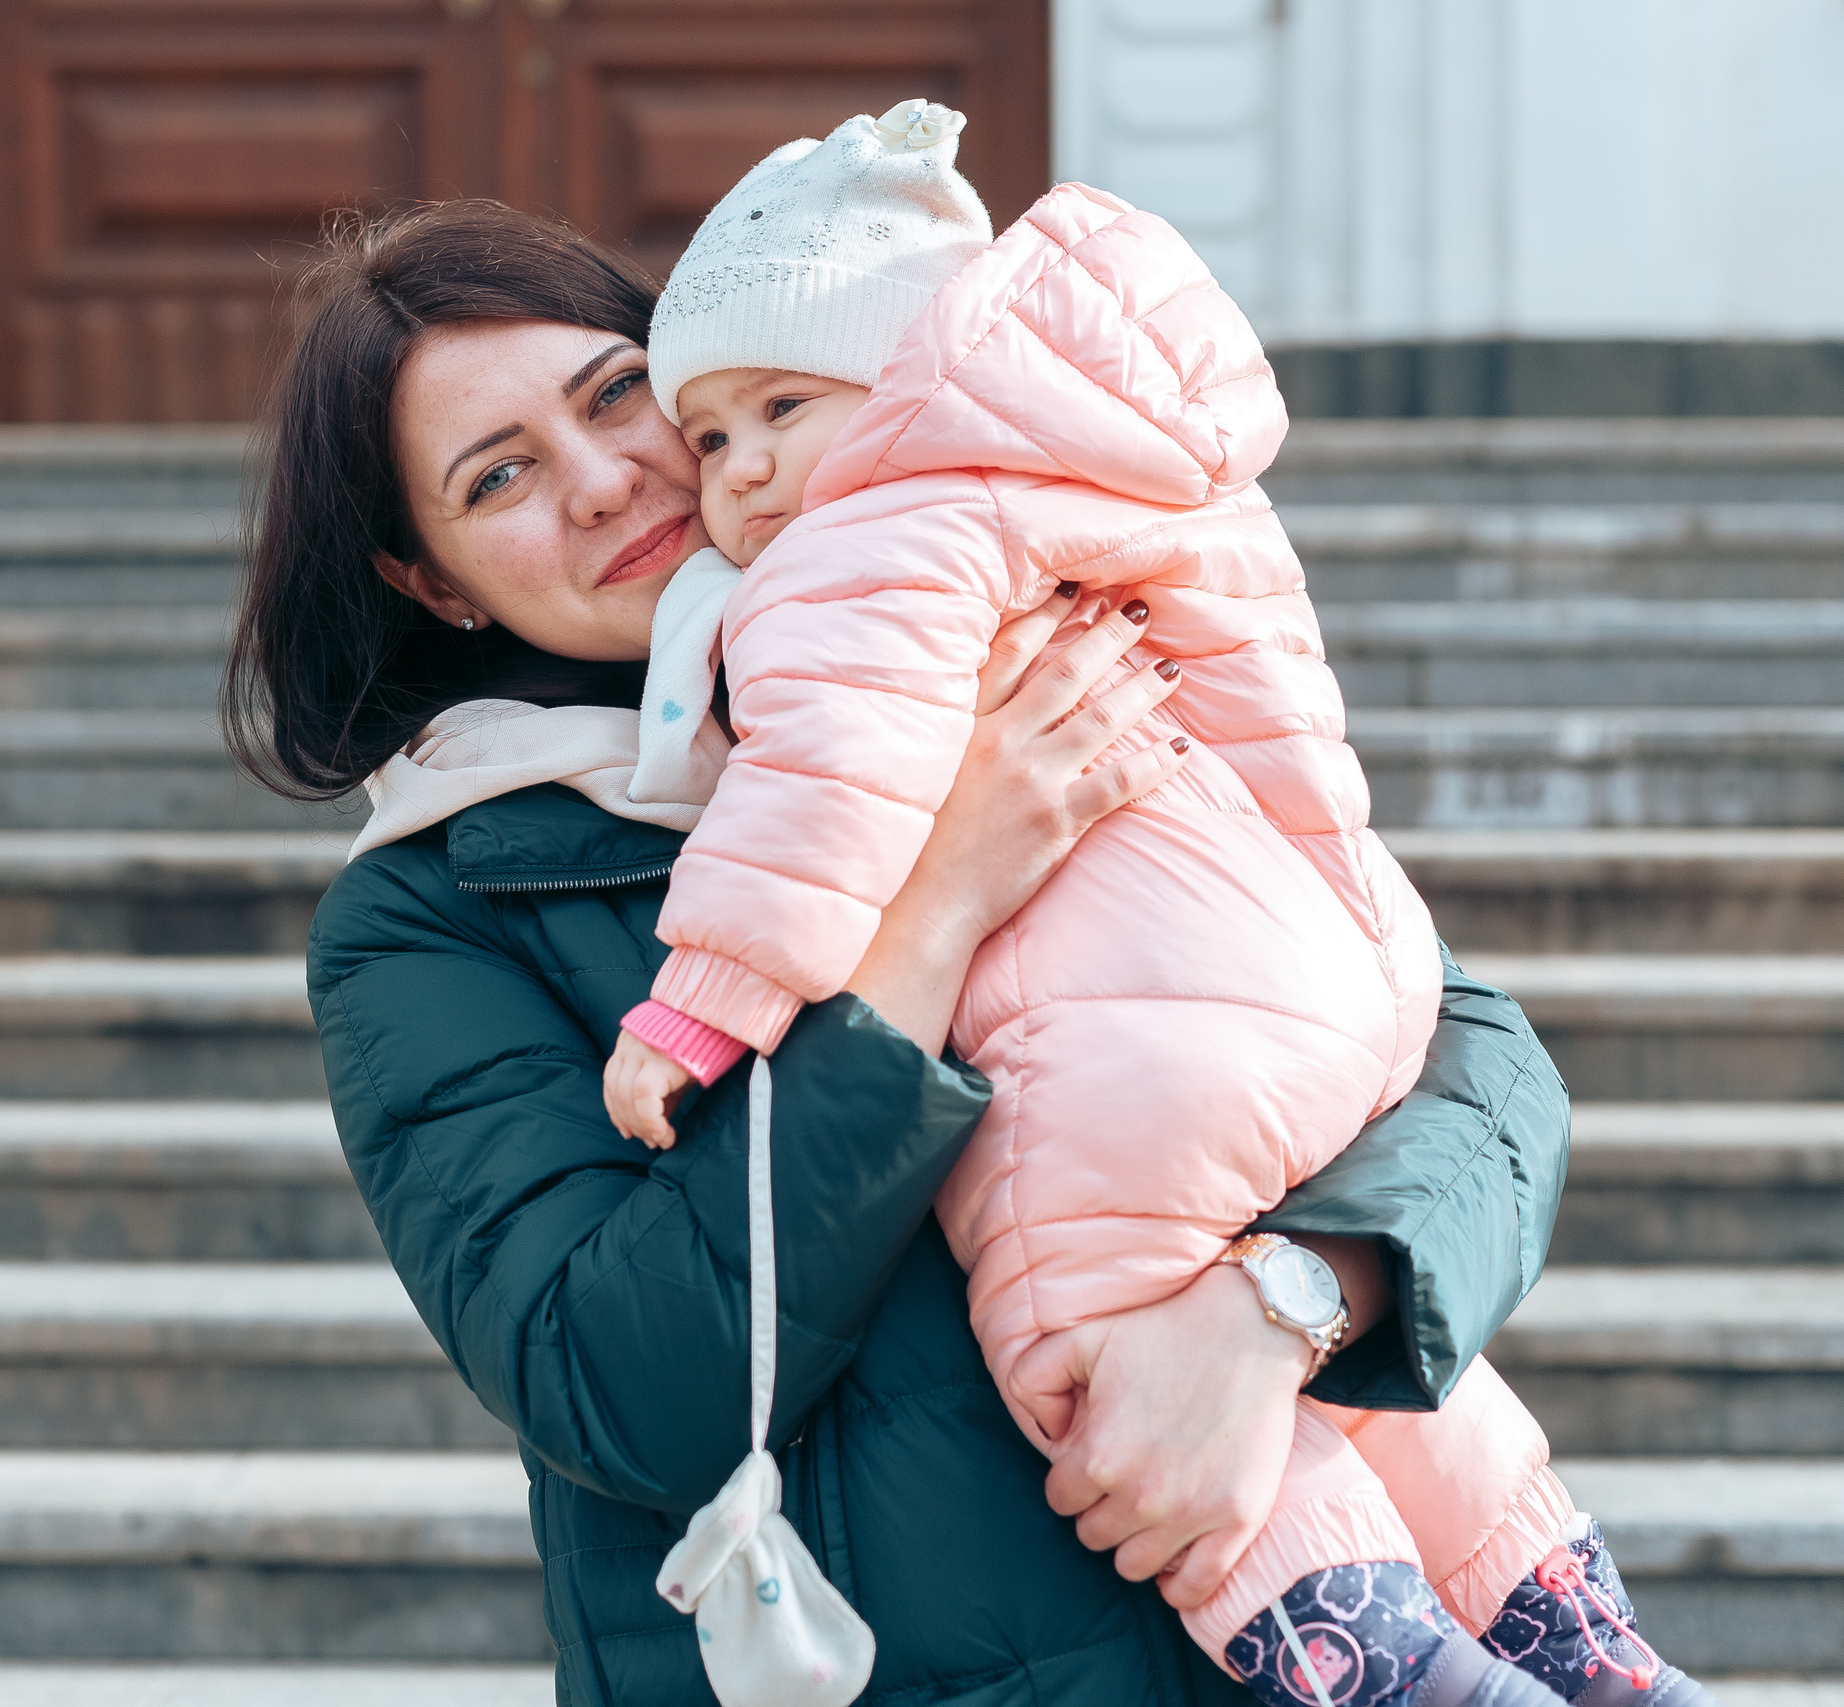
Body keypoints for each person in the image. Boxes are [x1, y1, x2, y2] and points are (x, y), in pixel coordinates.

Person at [226, 197, 1667, 1707]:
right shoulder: (432, 916)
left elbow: (1455, 1046)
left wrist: (1280, 1307)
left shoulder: (1017, 618)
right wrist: (937, 903)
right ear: (433, 582)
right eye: (499, 476)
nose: (602, 481)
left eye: (617, 393)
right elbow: (624, 1386)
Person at [591, 104, 1715, 1707]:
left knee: (1099, 1324)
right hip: (1337, 971)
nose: (744, 467)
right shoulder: (1134, 482)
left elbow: (825, 787)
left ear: (912, 376)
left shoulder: (861, 546)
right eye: (708, 437)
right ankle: (1575, 1632)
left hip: (1145, 1043)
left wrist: (706, 998)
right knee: (1370, 1383)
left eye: (782, 404)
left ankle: (1396, 1667)